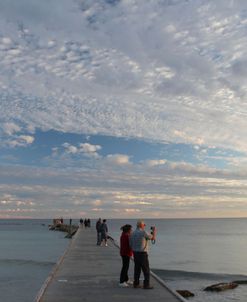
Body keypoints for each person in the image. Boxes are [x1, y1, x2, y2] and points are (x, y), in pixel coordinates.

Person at [129, 220, 156, 289]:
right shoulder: (143, 232)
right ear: (141, 225)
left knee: (137, 269)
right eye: (144, 225)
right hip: (142, 253)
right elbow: (152, 238)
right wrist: (154, 231)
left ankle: (136, 284)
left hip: (135, 253)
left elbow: (130, 244)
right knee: (146, 270)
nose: (144, 226)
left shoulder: (132, 233)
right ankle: (146, 285)